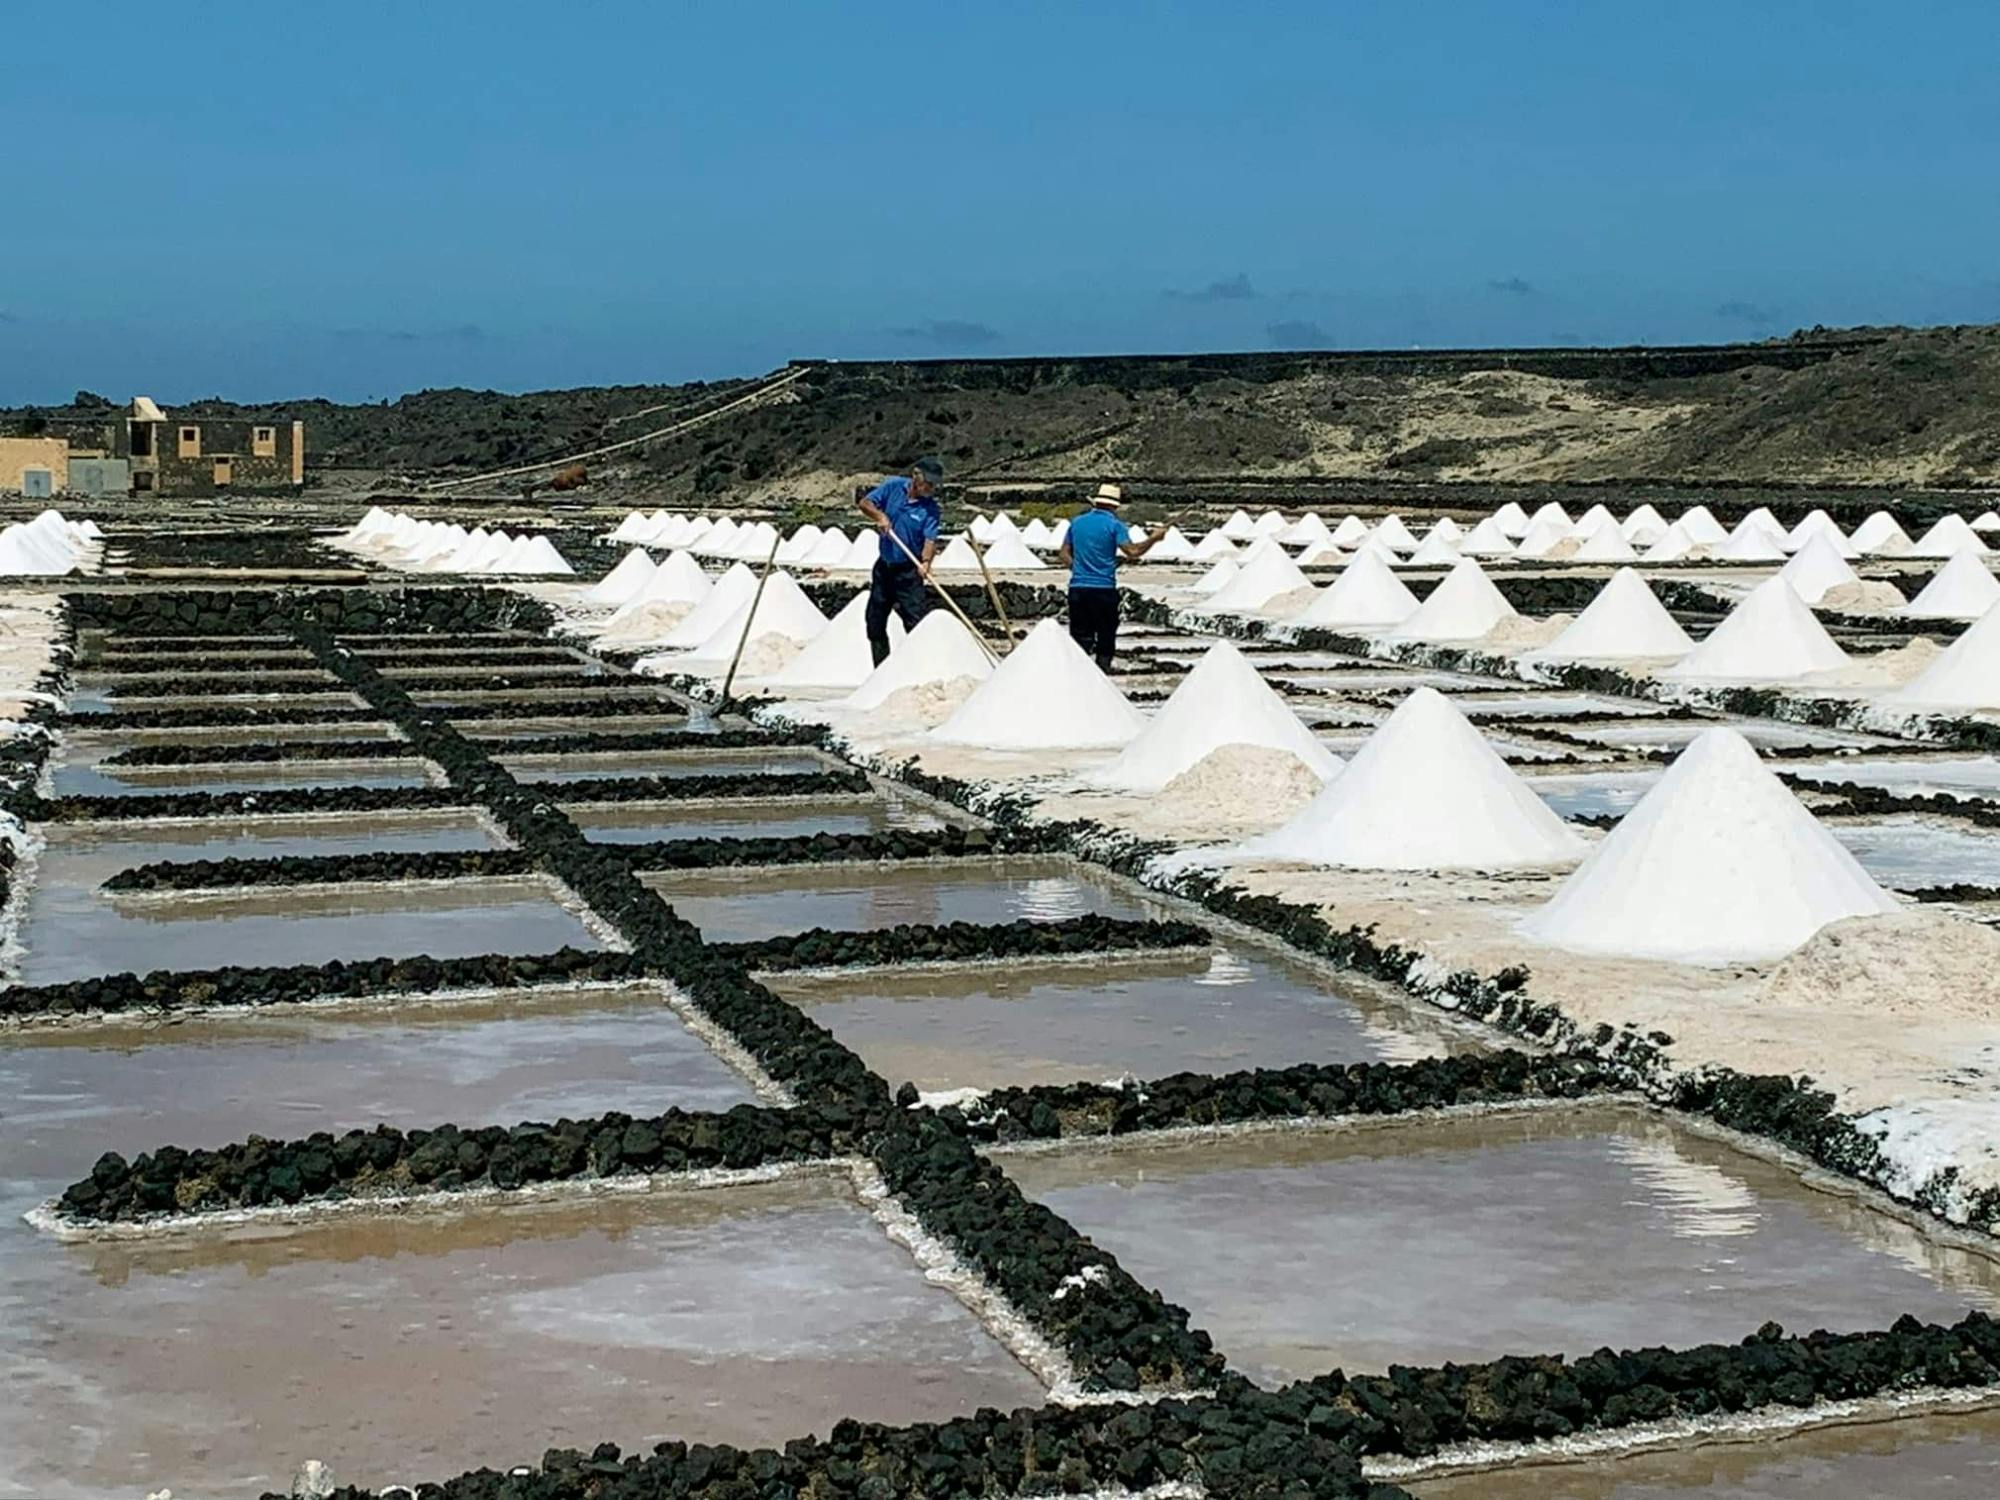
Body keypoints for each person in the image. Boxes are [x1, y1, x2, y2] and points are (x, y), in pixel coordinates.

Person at [1058, 482, 1163, 671]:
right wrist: (1154, 539)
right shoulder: (1115, 525)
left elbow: (1063, 554)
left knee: (1080, 639)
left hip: (1078, 589)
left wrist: (1079, 568)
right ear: (1114, 506)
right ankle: (1101, 680)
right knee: (1105, 638)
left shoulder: (1077, 523)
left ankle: (1078, 678)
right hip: (1103, 590)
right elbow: (1132, 551)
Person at [857, 457, 944, 665]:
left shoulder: (930, 509)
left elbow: (930, 539)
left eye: (934, 485)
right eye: (928, 483)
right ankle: (881, 671)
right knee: (875, 621)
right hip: (884, 569)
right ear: (916, 476)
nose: (930, 488)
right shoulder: (892, 487)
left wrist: (925, 562)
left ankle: (917, 669)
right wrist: (880, 516)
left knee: (915, 623)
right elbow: (865, 503)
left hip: (908, 572)